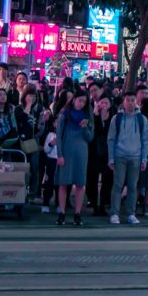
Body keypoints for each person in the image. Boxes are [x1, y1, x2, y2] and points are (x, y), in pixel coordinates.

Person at [107, 92, 148, 225]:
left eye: (133, 100)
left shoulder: (142, 119)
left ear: (136, 102)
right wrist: (111, 158)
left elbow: (145, 140)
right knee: (118, 185)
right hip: (120, 156)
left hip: (136, 157)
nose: (130, 103)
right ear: (123, 102)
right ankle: (114, 213)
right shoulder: (116, 118)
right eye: (128, 100)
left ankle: (131, 213)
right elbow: (111, 139)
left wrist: (144, 159)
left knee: (133, 186)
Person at [54, 91, 94, 226]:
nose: (81, 104)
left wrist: (84, 128)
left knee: (80, 184)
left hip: (81, 152)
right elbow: (58, 136)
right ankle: (62, 212)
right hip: (66, 151)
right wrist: (59, 154)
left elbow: (90, 137)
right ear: (73, 100)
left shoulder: (88, 116)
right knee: (63, 183)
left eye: (84, 102)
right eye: (79, 101)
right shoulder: (65, 114)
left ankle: (77, 213)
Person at [88, 95, 114, 216]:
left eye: (106, 102)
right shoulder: (94, 117)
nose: (104, 105)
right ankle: (94, 204)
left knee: (107, 180)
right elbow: (94, 132)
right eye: (102, 103)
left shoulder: (113, 118)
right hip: (95, 152)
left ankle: (103, 204)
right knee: (92, 179)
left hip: (108, 153)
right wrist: (96, 116)